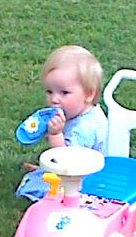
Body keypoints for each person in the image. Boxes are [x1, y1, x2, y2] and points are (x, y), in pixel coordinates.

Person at [15, 45, 108, 201]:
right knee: (43, 174)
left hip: (83, 180)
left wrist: (55, 134)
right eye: (49, 91)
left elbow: (65, 159)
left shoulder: (82, 129)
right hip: (93, 170)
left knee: (35, 185)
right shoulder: (90, 111)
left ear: (89, 94)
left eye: (64, 92)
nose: (54, 99)